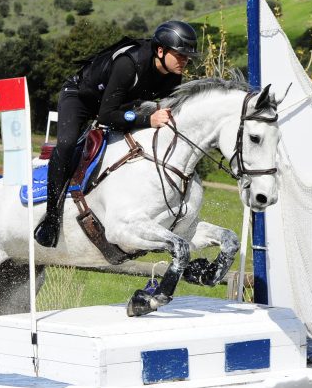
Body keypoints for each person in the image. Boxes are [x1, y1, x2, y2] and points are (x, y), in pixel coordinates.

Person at [33, 20, 200, 248]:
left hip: (117, 105)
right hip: (81, 98)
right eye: (180, 55)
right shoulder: (128, 65)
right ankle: (51, 219)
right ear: (160, 51)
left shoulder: (173, 75)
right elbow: (106, 116)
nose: (185, 61)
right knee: (67, 143)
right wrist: (148, 120)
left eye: (188, 57)